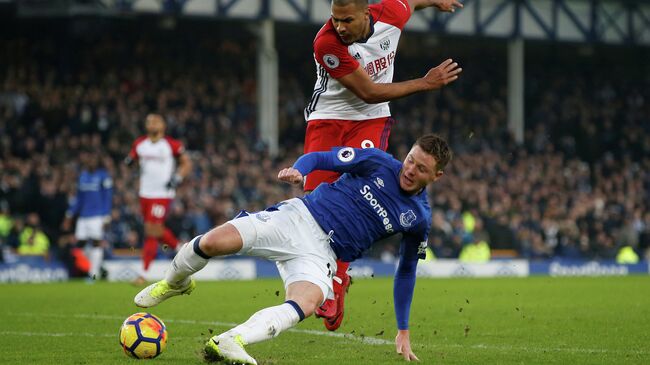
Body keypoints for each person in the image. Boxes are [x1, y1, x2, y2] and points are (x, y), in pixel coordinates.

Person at [134, 134, 452, 363]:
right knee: (211, 242)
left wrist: (403, 329)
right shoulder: (379, 162)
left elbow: (407, 271)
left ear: (436, 176)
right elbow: (322, 158)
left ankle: (230, 341)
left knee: (307, 302)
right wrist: (300, 169)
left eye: (421, 169)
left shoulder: (418, 218)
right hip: (297, 218)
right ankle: (173, 283)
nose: (410, 170)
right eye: (411, 160)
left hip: (323, 256)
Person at [304, 0, 463, 330]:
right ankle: (323, 273)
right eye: (335, 19)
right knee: (314, 207)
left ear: (367, 12)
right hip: (329, 119)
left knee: (359, 199)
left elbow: (411, 2)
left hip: (370, 121)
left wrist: (436, 2)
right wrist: (425, 82)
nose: (340, 26)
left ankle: (337, 282)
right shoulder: (326, 43)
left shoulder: (391, 11)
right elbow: (369, 91)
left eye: (347, 19)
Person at [125, 113, 192, 284]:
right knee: (154, 230)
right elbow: (131, 160)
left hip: (162, 194)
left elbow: (186, 163)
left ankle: (143, 273)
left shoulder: (171, 144)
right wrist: (129, 163)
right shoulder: (140, 144)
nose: (152, 123)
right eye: (149, 121)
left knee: (150, 231)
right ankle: (180, 248)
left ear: (163, 125)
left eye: (156, 121)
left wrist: (177, 178)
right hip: (145, 194)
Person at [62, 150, 113, 280]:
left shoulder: (103, 176)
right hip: (83, 216)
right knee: (80, 245)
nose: (91, 162)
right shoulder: (83, 176)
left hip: (97, 216)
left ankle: (93, 274)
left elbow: (107, 197)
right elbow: (79, 199)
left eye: (93, 160)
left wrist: (106, 216)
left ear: (97, 162)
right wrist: (69, 214)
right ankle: (90, 269)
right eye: (89, 160)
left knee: (96, 243)